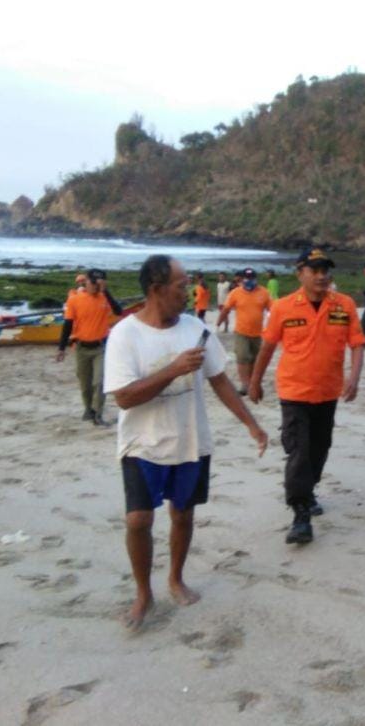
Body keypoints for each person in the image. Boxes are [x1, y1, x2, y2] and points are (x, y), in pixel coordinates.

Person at [104, 255, 268, 629]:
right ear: (156, 289)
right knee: (138, 520)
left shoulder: (195, 328)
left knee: (183, 514)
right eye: (181, 285)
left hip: (190, 440)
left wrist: (251, 424)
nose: (190, 291)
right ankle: (143, 594)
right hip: (142, 443)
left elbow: (219, 380)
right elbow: (124, 398)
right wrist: (173, 369)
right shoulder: (125, 334)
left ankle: (175, 578)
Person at [249, 247, 365, 545]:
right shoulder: (283, 307)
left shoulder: (344, 305)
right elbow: (267, 347)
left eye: (325, 270)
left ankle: (308, 489)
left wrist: (354, 378)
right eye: (314, 270)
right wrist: (255, 381)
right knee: (299, 450)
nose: (321, 276)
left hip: (328, 391)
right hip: (294, 392)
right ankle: (300, 514)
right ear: (300, 273)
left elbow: (356, 343)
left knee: (319, 448)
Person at [56, 268, 124, 425]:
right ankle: (88, 409)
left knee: (99, 382)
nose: (95, 286)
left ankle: (98, 415)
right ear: (86, 282)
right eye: (93, 282)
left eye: (98, 283)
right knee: (85, 384)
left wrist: (106, 291)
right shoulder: (74, 299)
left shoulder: (104, 297)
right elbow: (67, 325)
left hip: (100, 348)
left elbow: (118, 311)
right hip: (82, 348)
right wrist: (61, 348)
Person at [217, 267, 272, 395]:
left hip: (257, 333)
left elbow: (273, 310)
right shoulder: (235, 293)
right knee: (242, 357)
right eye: (247, 278)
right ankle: (245, 385)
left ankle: (252, 382)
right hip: (241, 332)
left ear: (256, 279)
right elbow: (226, 309)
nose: (249, 281)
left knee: (254, 359)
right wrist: (219, 321)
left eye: (252, 278)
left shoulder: (264, 292)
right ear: (242, 279)